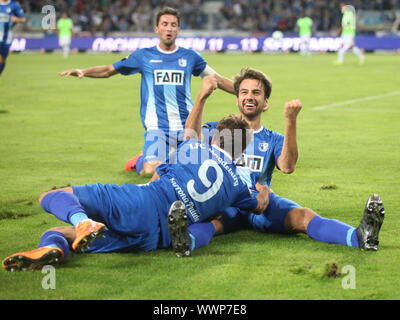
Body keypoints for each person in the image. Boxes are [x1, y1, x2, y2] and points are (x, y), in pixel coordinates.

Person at [2, 107, 271, 271]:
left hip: (143, 201)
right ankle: (56, 249)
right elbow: (258, 205)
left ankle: (81, 221)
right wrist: (263, 191)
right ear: (241, 148)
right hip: (156, 237)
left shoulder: (193, 147)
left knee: (52, 196)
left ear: (215, 137)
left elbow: (158, 171)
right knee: (59, 234)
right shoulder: (239, 185)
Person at [166, 68, 385, 257]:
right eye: (243, 92)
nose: (249, 97)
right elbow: (190, 140)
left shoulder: (272, 139)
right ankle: (186, 242)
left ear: (266, 103)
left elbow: (287, 166)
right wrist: (202, 97)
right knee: (213, 225)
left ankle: (359, 237)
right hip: (225, 200)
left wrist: (291, 121)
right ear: (237, 99)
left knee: (302, 216)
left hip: (260, 203)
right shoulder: (223, 128)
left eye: (256, 92)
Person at [59, 7, 235, 177]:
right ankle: (140, 160)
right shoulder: (143, 56)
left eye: (173, 24)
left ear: (178, 29)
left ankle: (172, 157)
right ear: (157, 28)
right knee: (151, 171)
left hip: (188, 126)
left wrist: (246, 92)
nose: (169, 28)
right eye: (165, 24)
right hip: (157, 129)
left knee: (196, 170)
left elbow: (218, 80)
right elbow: (108, 70)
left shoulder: (190, 57)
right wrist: (84, 71)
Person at [0, 0, 25, 76]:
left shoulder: (14, 4)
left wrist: (16, 19)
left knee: (2, 59)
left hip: (6, 37)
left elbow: (23, 19)